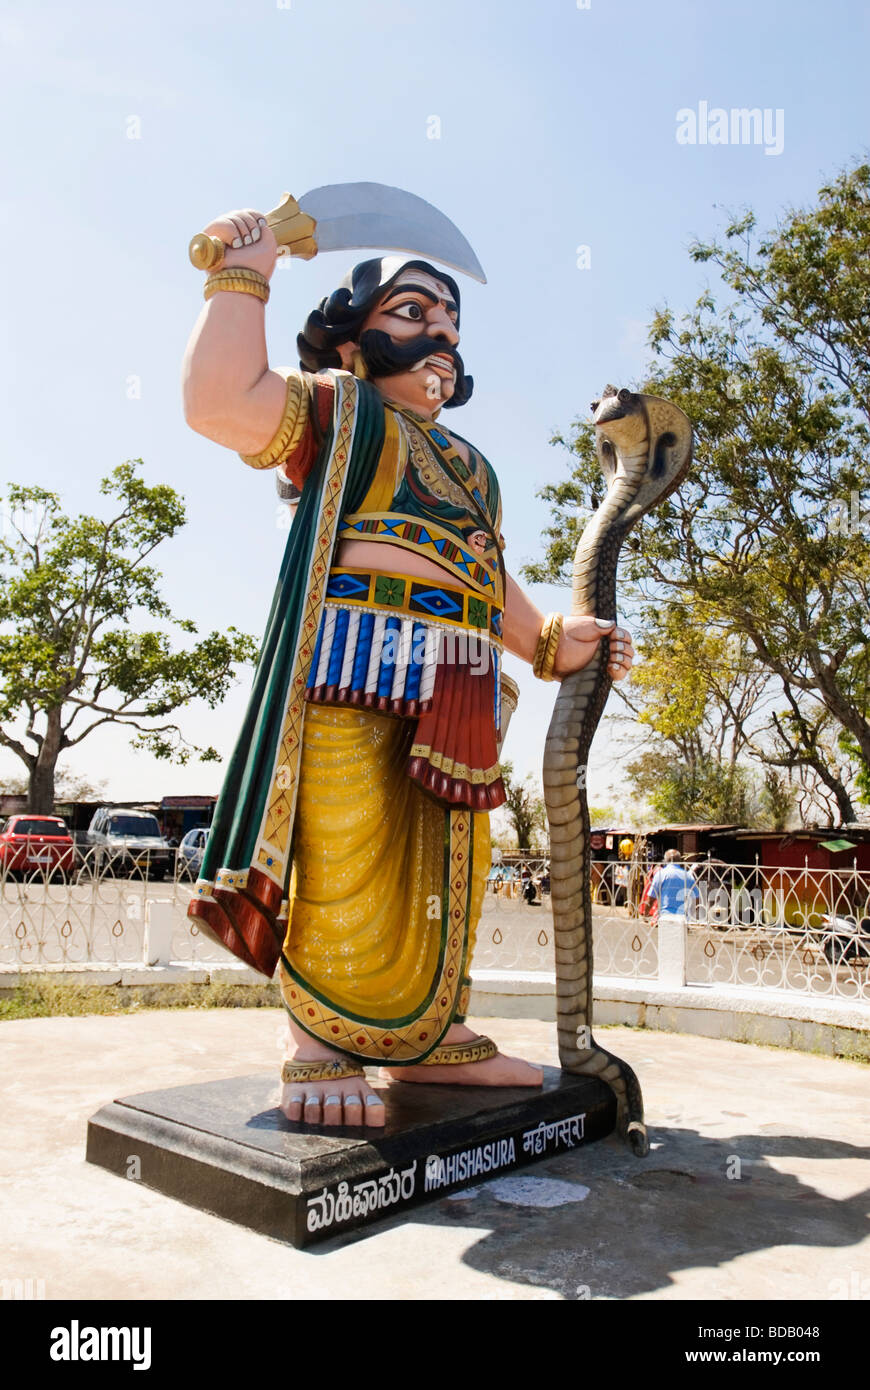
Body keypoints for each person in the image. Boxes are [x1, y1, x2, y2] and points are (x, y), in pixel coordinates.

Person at [181, 205, 635, 1129]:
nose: (440, 336)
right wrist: (242, 278)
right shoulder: (336, 411)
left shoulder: (474, 466)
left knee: (448, 873)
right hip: (356, 660)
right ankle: (320, 1040)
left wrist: (551, 641)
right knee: (346, 848)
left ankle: (431, 1037)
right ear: (350, 341)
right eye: (413, 312)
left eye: (451, 325)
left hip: (461, 677)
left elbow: (484, 571)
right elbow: (219, 402)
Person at [646, 849, 699, 919]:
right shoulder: (688, 876)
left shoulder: (660, 874)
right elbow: (697, 898)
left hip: (665, 916)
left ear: (665, 860)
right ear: (679, 861)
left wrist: (645, 913)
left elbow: (651, 898)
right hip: (683, 918)